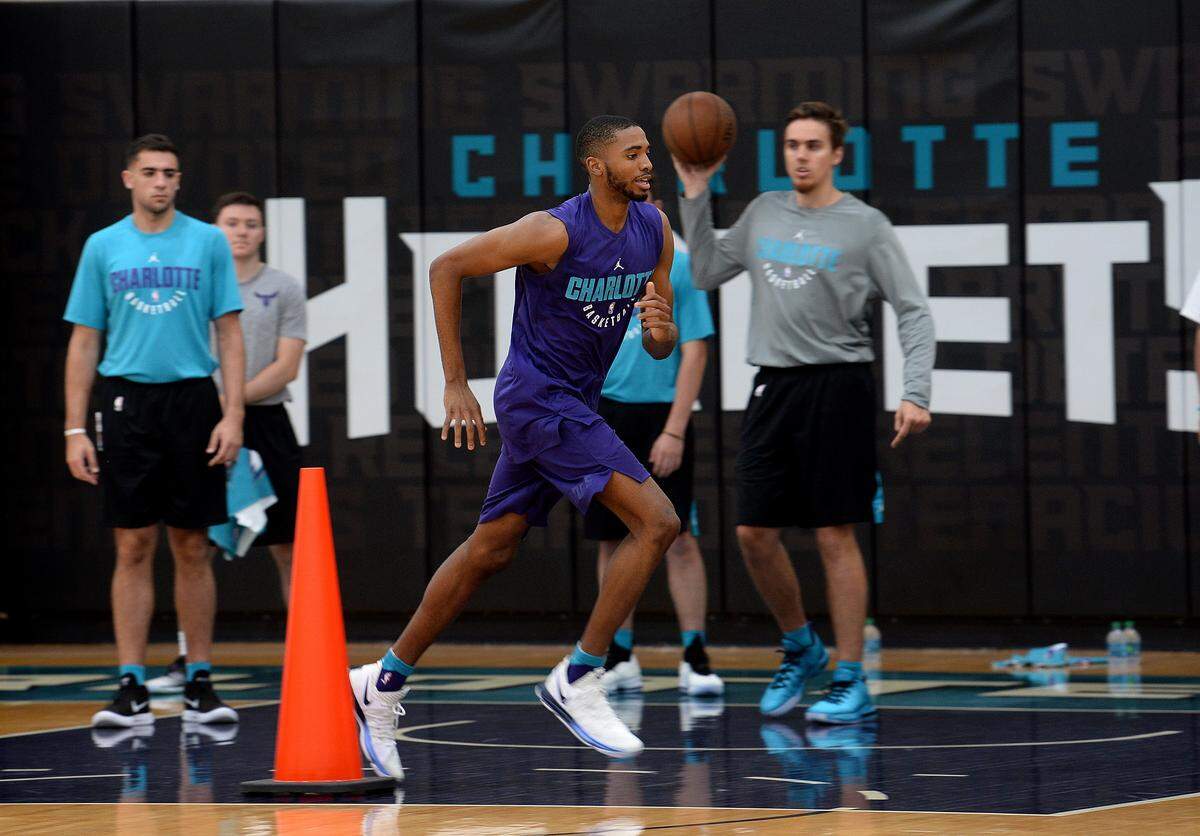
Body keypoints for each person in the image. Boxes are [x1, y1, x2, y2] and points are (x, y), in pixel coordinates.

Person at [349, 115, 681, 776]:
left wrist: (660, 328)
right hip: (537, 399)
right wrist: (455, 382)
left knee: (491, 548)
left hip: (572, 403)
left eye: (648, 152)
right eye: (633, 153)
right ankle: (579, 676)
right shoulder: (552, 231)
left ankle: (381, 682)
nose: (648, 163)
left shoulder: (655, 230)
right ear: (596, 166)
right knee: (658, 522)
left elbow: (658, 344)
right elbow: (446, 267)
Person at [675, 101, 935, 724]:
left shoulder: (865, 226)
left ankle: (850, 677)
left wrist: (916, 390)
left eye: (813, 146)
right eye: (792, 145)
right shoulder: (764, 211)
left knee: (833, 533)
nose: (801, 155)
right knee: (752, 533)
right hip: (773, 386)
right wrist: (696, 194)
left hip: (839, 387)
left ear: (837, 154)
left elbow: (913, 310)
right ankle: (800, 644)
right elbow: (705, 270)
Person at [63, 133, 246, 729]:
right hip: (127, 401)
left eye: (169, 172)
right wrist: (74, 428)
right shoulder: (103, 246)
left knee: (192, 544)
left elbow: (229, 331)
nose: (160, 181)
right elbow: (84, 339)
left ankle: (199, 680)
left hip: (193, 400)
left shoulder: (208, 241)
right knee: (132, 544)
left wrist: (233, 413)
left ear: (178, 180)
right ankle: (131, 686)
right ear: (129, 178)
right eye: (149, 172)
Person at [147, 191, 308, 694]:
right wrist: (213, 406)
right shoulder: (192, 285)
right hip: (204, 424)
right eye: (232, 222)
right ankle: (189, 659)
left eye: (251, 223)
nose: (242, 231)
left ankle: (308, 658)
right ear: (215, 230)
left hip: (267, 423)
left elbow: (287, 365)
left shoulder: (284, 287)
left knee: (290, 546)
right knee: (194, 545)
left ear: (262, 232)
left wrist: (232, 399)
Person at [582, 188, 722, 698]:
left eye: (650, 212)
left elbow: (695, 352)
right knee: (611, 538)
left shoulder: (679, 268)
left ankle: (695, 656)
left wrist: (675, 430)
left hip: (662, 415)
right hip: (607, 415)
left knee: (679, 538)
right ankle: (619, 654)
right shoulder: (597, 268)